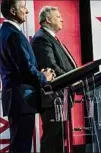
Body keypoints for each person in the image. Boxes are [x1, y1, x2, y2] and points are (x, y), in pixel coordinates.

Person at [0, 0, 54, 152]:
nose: (27, 11)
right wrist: (44, 77)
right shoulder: (13, 34)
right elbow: (25, 68)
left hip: (18, 99)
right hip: (22, 99)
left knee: (20, 145)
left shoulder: (6, 32)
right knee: (21, 147)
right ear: (12, 10)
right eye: (23, 7)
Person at [30, 6, 77, 152]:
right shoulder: (41, 38)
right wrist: (73, 79)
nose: (62, 19)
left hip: (61, 97)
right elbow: (50, 66)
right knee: (52, 139)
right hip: (53, 98)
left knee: (58, 139)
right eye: (58, 16)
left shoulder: (51, 38)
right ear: (48, 20)